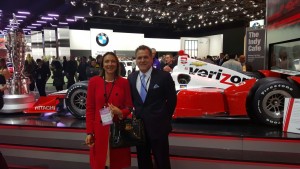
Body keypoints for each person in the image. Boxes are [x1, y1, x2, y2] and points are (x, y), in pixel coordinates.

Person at [128, 45, 177, 169]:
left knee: (162, 161)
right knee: (143, 161)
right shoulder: (131, 78)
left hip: (159, 128)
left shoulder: (164, 77)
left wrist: (164, 118)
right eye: (139, 58)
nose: (142, 60)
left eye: (145, 57)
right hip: (139, 129)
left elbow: (172, 100)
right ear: (136, 60)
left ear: (151, 58)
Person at [85, 52, 133, 169]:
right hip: (99, 130)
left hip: (118, 129)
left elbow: (129, 106)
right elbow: (90, 108)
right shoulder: (94, 82)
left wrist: (120, 112)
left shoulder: (124, 82)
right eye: (107, 61)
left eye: (113, 61)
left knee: (117, 163)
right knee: (101, 163)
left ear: (117, 64)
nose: (110, 64)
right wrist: (89, 132)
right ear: (102, 64)